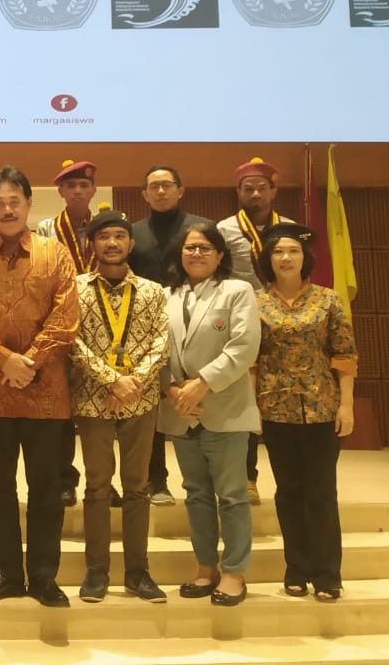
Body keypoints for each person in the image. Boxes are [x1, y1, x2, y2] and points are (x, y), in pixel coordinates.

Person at [0, 166, 79, 606]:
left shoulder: (56, 254)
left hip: (46, 390)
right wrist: (4, 358)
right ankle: (5, 572)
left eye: (15, 201)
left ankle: (44, 576)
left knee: (46, 487)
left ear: (29, 204)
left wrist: (29, 362)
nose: (7, 210)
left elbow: (66, 317)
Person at [71, 207, 169, 604]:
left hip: (141, 400)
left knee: (137, 486)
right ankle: (96, 569)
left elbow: (161, 342)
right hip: (92, 398)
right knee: (97, 485)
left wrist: (133, 383)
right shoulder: (74, 289)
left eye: (119, 236)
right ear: (91, 244)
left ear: (130, 243)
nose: (111, 243)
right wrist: (113, 380)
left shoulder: (153, 291)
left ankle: (137, 571)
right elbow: (72, 341)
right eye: (103, 236)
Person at [159, 221, 260, 607]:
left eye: (205, 247)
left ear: (220, 254)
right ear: (179, 254)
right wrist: (171, 388)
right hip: (181, 410)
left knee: (232, 496)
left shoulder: (237, 290)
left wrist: (201, 383)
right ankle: (206, 567)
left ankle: (234, 572)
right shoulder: (166, 295)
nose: (196, 253)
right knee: (197, 494)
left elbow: (244, 346)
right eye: (190, 247)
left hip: (225, 408)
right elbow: (155, 349)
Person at [256, 222, 357, 602]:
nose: (286, 258)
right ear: (268, 259)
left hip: (321, 408)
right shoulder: (256, 303)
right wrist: (252, 406)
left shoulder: (328, 300)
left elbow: (344, 354)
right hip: (275, 408)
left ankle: (328, 574)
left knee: (321, 492)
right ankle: (296, 569)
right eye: (278, 252)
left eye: (293, 251)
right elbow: (253, 359)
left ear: (305, 257)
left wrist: (346, 404)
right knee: (288, 492)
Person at [130, 165, 214, 507]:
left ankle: (207, 480)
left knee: (199, 397)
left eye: (167, 185)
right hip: (145, 327)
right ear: (145, 194)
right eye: (154, 187)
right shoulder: (134, 232)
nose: (161, 191)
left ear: (181, 190)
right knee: (151, 406)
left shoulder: (202, 229)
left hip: (197, 320)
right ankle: (156, 480)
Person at [217, 157, 294, 506]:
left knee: (281, 397)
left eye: (262, 188)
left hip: (284, 321)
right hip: (241, 319)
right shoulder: (223, 230)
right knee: (243, 400)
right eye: (248, 189)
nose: (256, 194)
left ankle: (288, 479)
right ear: (239, 193)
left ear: (274, 191)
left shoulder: (290, 230)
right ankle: (247, 477)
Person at [35, 158, 100, 508]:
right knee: (59, 412)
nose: (77, 191)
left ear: (93, 190)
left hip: (99, 327)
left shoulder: (105, 224)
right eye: (71, 185)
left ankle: (101, 482)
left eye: (84, 185)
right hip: (57, 326)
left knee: (97, 412)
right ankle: (64, 479)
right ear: (60, 191)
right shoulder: (46, 228)